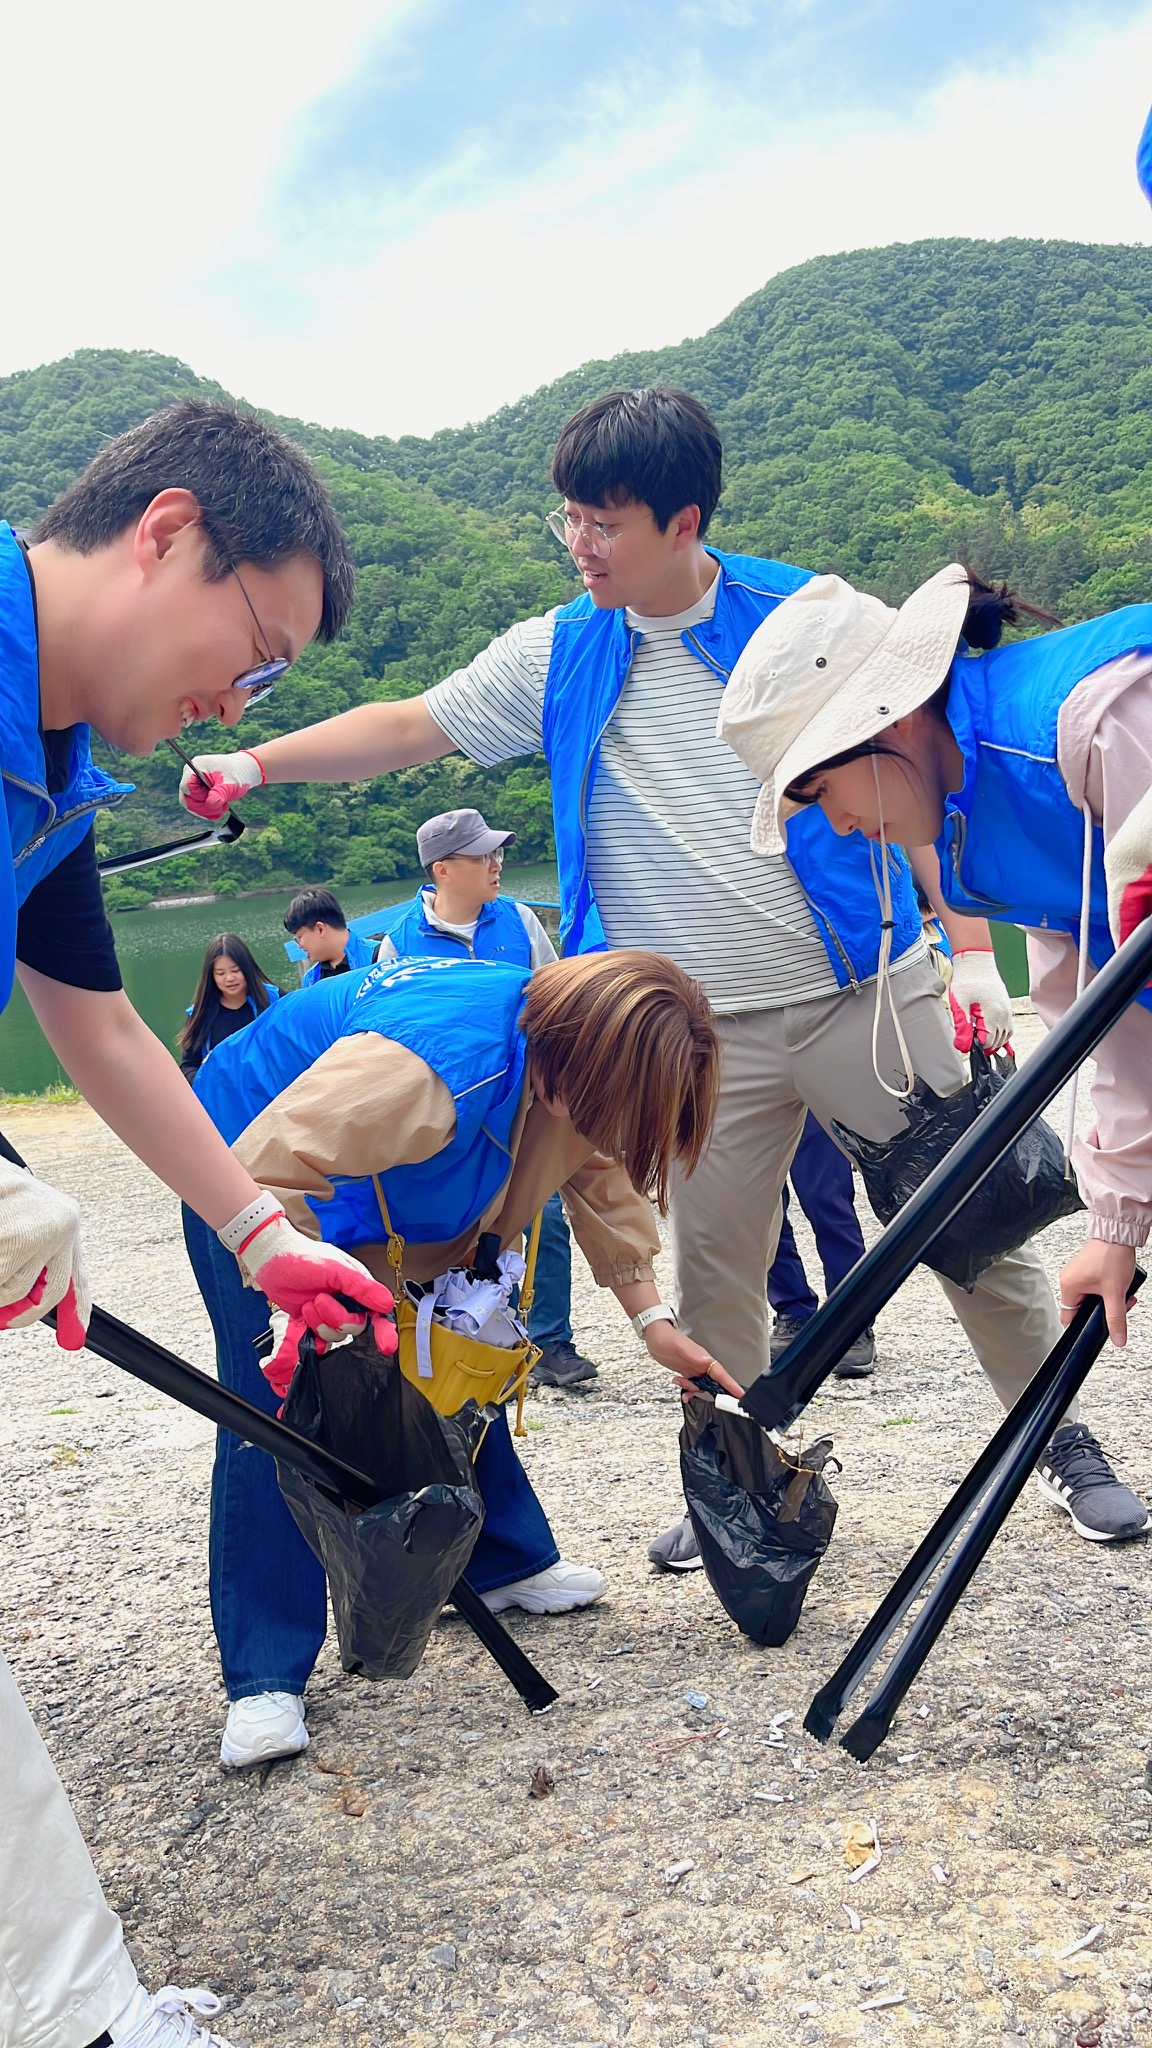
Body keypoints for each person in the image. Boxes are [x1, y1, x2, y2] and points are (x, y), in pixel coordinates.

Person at [176, 385, 1143, 1558]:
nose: (579, 544)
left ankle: (1057, 1439)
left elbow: (931, 773)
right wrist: (254, 761)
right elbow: (409, 726)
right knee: (715, 1262)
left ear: (684, 521)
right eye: (567, 519)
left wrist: (971, 958)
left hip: (861, 993)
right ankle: (736, 1474)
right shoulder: (562, 653)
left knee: (971, 1228)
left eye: (605, 523)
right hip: (689, 1034)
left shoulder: (808, 622)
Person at [0, 400, 398, 2048]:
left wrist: (256, 1232)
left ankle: (67, 2003)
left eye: (274, 687)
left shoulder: (55, 763)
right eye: (255, 650)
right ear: (167, 529)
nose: (237, 706)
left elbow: (91, 1022)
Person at [185, 948, 732, 1765]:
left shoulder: (579, 1061)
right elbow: (266, 1163)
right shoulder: (432, 1063)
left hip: (393, 1180)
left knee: (454, 1346)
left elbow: (598, 1168)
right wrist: (294, 1293)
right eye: (603, 1106)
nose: (604, 1128)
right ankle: (265, 1673)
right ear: (562, 1058)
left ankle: (501, 1562)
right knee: (283, 1412)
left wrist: (652, 1318)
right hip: (251, 1169)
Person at [718, 559, 1152, 1537]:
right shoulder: (977, 825)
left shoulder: (1101, 722)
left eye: (821, 788)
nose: (831, 824)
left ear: (896, 719)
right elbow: (1109, 1006)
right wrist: (1116, 1223)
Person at [376, 806, 598, 1388]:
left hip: (524, 1101)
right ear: (444, 869)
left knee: (543, 1214)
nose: (497, 864)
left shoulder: (520, 921)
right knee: (459, 1222)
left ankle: (550, 1341)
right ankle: (460, 1333)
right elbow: (390, 1041)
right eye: (483, 856)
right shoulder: (398, 945)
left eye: (497, 852)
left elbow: (557, 1001)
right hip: (449, 1113)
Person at [767, 1112, 874, 1374]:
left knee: (827, 1200)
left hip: (810, 1085)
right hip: (742, 1082)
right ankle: (793, 1311)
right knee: (762, 1209)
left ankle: (851, 1319)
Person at [178, 932, 281, 1081]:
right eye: (220, 973)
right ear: (211, 976)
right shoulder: (200, 1013)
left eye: (235, 970)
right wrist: (210, 1084)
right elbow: (188, 1066)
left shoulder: (274, 999)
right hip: (224, 1095)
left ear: (248, 969)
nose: (230, 978)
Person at [282, 885, 376, 986]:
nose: (299, 946)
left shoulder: (379, 956)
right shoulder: (311, 980)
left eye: (299, 938)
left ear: (320, 929)